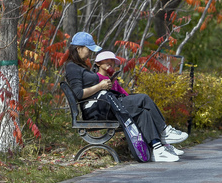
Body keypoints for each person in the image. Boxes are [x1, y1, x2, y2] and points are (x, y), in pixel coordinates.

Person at [64, 32, 188, 162]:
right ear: (78, 48)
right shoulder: (72, 67)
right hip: (98, 110)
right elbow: (79, 94)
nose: (90, 53)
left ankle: (157, 149)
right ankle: (164, 132)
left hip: (104, 105)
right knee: (143, 99)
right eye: (88, 49)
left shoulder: (80, 66)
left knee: (143, 112)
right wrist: (100, 86)